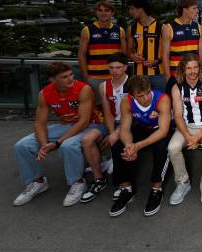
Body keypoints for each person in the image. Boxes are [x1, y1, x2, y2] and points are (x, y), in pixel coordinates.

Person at [13, 62, 94, 207]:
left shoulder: (83, 89)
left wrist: (57, 143)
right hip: (64, 127)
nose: (70, 79)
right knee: (22, 145)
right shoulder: (44, 94)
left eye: (71, 75)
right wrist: (44, 145)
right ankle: (37, 181)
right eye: (64, 77)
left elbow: (84, 121)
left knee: (68, 146)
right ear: (52, 79)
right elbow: (39, 123)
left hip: (88, 125)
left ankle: (78, 182)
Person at [109, 75, 172, 217]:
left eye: (148, 92)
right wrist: (129, 145)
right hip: (143, 128)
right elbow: (125, 128)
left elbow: (163, 131)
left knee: (162, 147)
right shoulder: (126, 101)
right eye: (140, 95)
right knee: (118, 146)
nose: (146, 98)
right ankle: (126, 189)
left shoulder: (162, 99)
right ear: (132, 96)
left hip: (160, 130)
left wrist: (138, 146)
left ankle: (157, 189)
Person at [167, 54, 202, 205]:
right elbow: (177, 115)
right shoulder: (177, 87)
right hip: (186, 126)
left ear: (200, 68)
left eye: (195, 67)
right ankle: (183, 183)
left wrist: (198, 136)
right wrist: (188, 137)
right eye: (189, 68)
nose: (193, 71)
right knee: (173, 147)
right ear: (183, 69)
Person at [80, 52, 129, 203]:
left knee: (119, 140)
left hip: (130, 123)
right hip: (111, 123)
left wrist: (117, 133)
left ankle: (123, 184)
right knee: (87, 139)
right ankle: (99, 179)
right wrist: (112, 131)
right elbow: (107, 113)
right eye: (111, 68)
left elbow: (134, 113)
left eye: (118, 67)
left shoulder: (133, 83)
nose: (115, 71)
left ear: (126, 67)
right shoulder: (103, 86)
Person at [77, 1, 126, 102]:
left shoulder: (119, 30)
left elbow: (123, 56)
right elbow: (81, 55)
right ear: (96, 12)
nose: (103, 13)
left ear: (112, 13)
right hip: (95, 78)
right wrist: (86, 76)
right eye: (100, 10)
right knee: (98, 109)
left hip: (115, 77)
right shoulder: (87, 30)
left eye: (107, 10)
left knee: (116, 108)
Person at [162, 0, 202, 81]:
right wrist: (167, 76)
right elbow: (165, 55)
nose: (197, 11)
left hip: (194, 73)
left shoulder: (198, 27)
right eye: (194, 8)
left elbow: (201, 50)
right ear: (185, 10)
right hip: (176, 74)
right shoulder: (169, 28)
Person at [127, 0, 165, 91]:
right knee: (140, 104)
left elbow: (167, 52)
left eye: (132, 8)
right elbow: (128, 51)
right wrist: (132, 56)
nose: (130, 12)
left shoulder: (162, 27)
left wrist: (157, 61)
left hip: (159, 75)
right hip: (139, 75)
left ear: (141, 8)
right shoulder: (131, 29)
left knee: (160, 104)